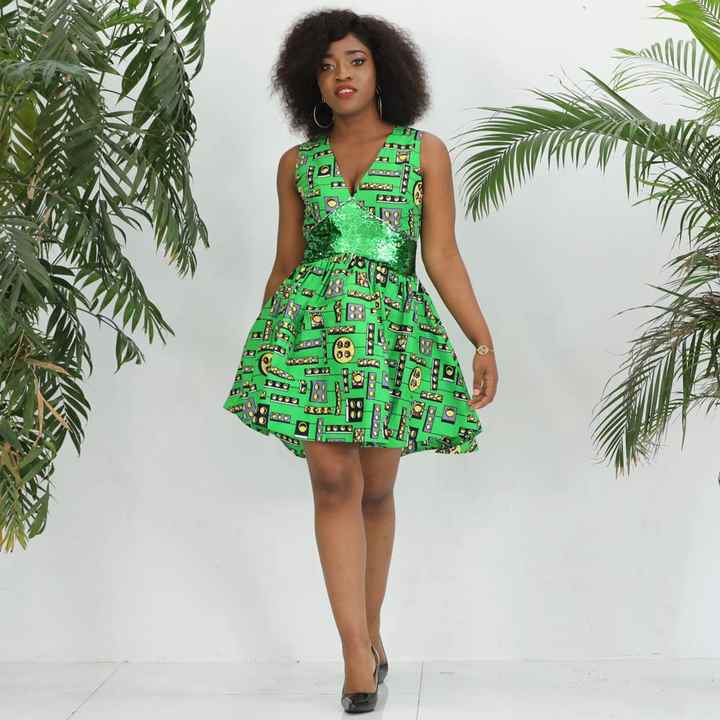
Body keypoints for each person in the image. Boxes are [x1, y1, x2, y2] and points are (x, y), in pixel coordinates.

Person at [222, 8, 498, 714]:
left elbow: (441, 255)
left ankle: (371, 633)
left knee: (375, 490)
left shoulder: (423, 152)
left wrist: (481, 339)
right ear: (307, 80)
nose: (340, 75)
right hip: (311, 337)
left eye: (355, 61)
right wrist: (265, 350)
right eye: (326, 65)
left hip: (390, 337)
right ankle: (353, 655)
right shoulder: (297, 165)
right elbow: (285, 264)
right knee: (332, 482)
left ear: (383, 71)